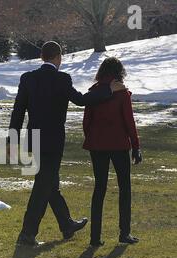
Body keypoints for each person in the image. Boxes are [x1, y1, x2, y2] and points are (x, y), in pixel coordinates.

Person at [9, 41, 127, 247]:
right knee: (43, 185)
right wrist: (108, 89)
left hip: (35, 138)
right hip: (53, 140)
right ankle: (26, 234)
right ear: (58, 58)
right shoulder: (62, 78)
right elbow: (81, 100)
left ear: (42, 57)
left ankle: (66, 224)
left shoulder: (27, 78)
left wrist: (12, 139)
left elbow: (18, 111)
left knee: (50, 184)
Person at [83, 57, 142, 247]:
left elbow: (87, 123)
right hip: (119, 145)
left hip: (97, 145)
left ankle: (95, 237)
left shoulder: (93, 93)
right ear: (119, 72)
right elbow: (129, 122)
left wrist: (92, 139)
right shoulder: (122, 94)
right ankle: (124, 233)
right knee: (124, 188)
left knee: (99, 189)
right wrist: (136, 146)